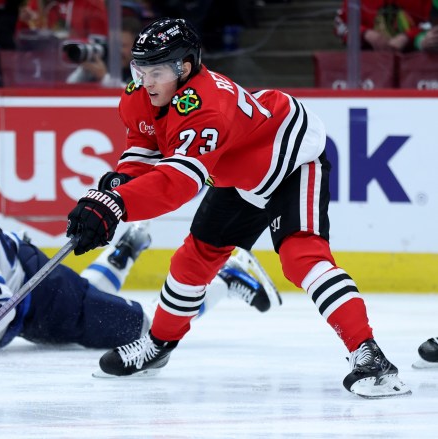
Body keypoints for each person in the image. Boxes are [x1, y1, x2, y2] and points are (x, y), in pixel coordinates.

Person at [65, 17, 410, 398]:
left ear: (185, 67)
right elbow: (143, 149)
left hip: (290, 161)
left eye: (157, 71)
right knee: (192, 260)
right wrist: (119, 185)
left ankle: (370, 355)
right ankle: (158, 346)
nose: (146, 81)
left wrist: (117, 204)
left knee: (301, 258)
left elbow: (180, 182)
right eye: (140, 69)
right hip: (239, 173)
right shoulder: (140, 94)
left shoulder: (206, 107)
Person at [0, 162, 277, 358]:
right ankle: (122, 254)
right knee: (91, 298)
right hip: (30, 292)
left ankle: (226, 279)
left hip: (38, 296)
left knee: (140, 327)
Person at [65, 15, 143, 86]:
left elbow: (134, 96)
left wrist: (103, 77)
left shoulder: (144, 70)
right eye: (113, 45)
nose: (116, 51)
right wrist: (84, 69)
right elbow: (69, 86)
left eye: (123, 45)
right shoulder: (104, 62)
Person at [334, 0, 437, 52]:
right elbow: (340, 27)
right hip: (370, 65)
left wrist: (412, 38)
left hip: (416, 63)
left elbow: (431, 25)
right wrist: (365, 33)